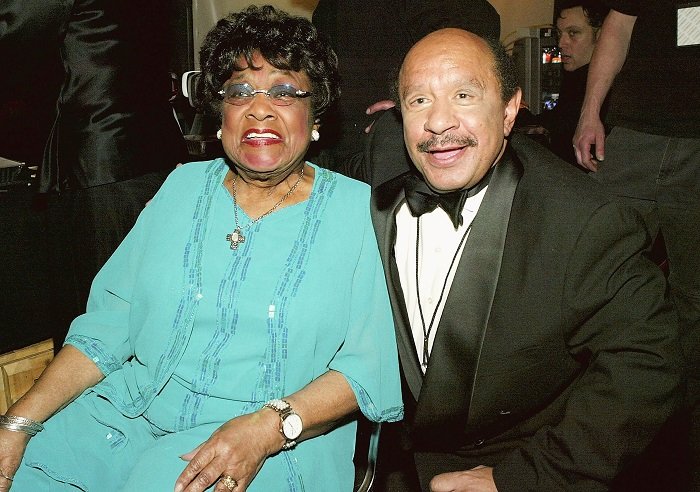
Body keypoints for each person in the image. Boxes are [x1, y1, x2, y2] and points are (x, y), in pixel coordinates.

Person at [0, 6, 402, 491]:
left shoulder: (359, 212)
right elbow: (106, 329)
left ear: (315, 113)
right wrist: (16, 424)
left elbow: (367, 367)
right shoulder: (181, 187)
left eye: (285, 91)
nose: (259, 107)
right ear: (220, 114)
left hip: (265, 439)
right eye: (239, 91)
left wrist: (268, 428)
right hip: (125, 418)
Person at [358, 28, 682, 491]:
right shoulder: (381, 176)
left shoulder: (582, 219)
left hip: (514, 461)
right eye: (419, 101)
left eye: (464, 95)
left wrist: (525, 478)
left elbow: (648, 363)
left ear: (510, 109)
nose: (438, 122)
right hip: (393, 465)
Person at [0, 0, 189, 348]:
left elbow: (12, 31)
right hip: (154, 155)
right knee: (144, 313)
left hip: (97, 161)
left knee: (94, 321)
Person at [574, 3, 700, 489]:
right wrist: (590, 113)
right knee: (597, 273)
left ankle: (671, 426)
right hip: (636, 136)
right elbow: (618, 28)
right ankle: (589, 407)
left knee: (694, 299)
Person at [309, 0, 500, 172]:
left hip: (389, 156)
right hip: (338, 153)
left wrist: (409, 106)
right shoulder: (326, 10)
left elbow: (479, 24)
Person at [515, 0, 609, 166]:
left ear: (601, 36)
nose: (560, 43)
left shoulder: (602, 87)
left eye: (573, 33)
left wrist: (520, 112)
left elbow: (558, 133)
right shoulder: (576, 75)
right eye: (559, 34)